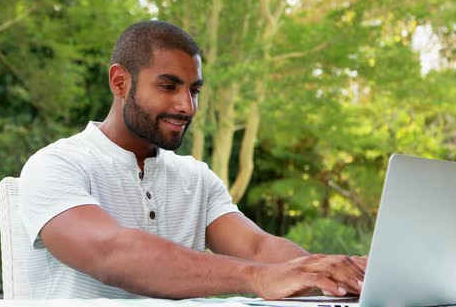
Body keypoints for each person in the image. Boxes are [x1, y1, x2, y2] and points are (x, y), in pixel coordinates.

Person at [19, 20, 367, 299]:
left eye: (194, 90)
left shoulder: (195, 177)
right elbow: (112, 254)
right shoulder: (56, 165)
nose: (187, 106)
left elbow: (257, 247)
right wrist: (259, 278)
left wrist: (336, 272)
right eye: (168, 86)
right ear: (120, 82)